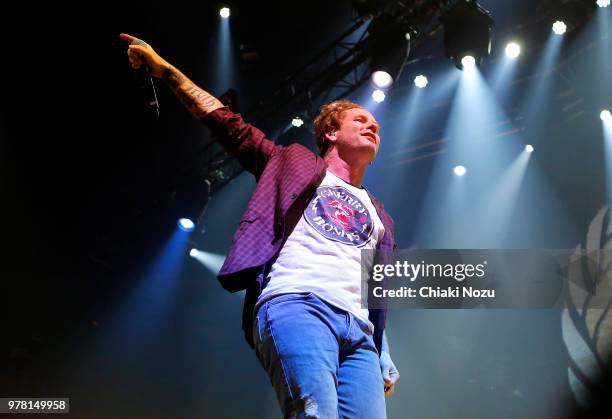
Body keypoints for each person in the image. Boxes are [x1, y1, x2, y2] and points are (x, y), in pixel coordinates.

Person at [120, 33, 400, 418]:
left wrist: (382, 348)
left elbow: (375, 287)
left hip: (360, 335)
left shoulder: (380, 214)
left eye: (376, 127)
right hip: (300, 302)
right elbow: (228, 125)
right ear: (332, 133)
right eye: (361, 120)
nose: (373, 127)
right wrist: (167, 72)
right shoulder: (292, 162)